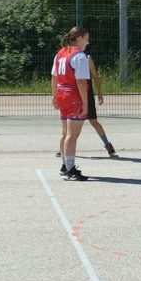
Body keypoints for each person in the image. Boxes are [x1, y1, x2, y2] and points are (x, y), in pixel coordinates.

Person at [52, 27, 117, 180]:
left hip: (62, 94)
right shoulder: (79, 56)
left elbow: (54, 77)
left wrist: (54, 96)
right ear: (79, 38)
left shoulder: (60, 53)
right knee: (72, 135)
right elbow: (81, 82)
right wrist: (85, 104)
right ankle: (70, 170)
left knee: (65, 133)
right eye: (86, 39)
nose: (88, 42)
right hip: (73, 97)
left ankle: (64, 166)